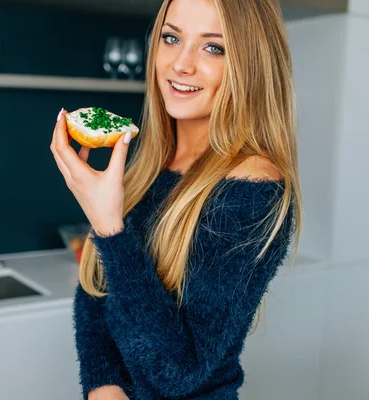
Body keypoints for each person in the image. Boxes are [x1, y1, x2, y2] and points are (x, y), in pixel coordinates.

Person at [50, 0, 302, 398]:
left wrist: (110, 229)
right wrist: (104, 388)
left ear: (250, 65)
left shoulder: (253, 189)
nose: (180, 64)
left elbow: (180, 372)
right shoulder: (152, 165)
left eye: (212, 47)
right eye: (171, 38)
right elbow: (97, 292)